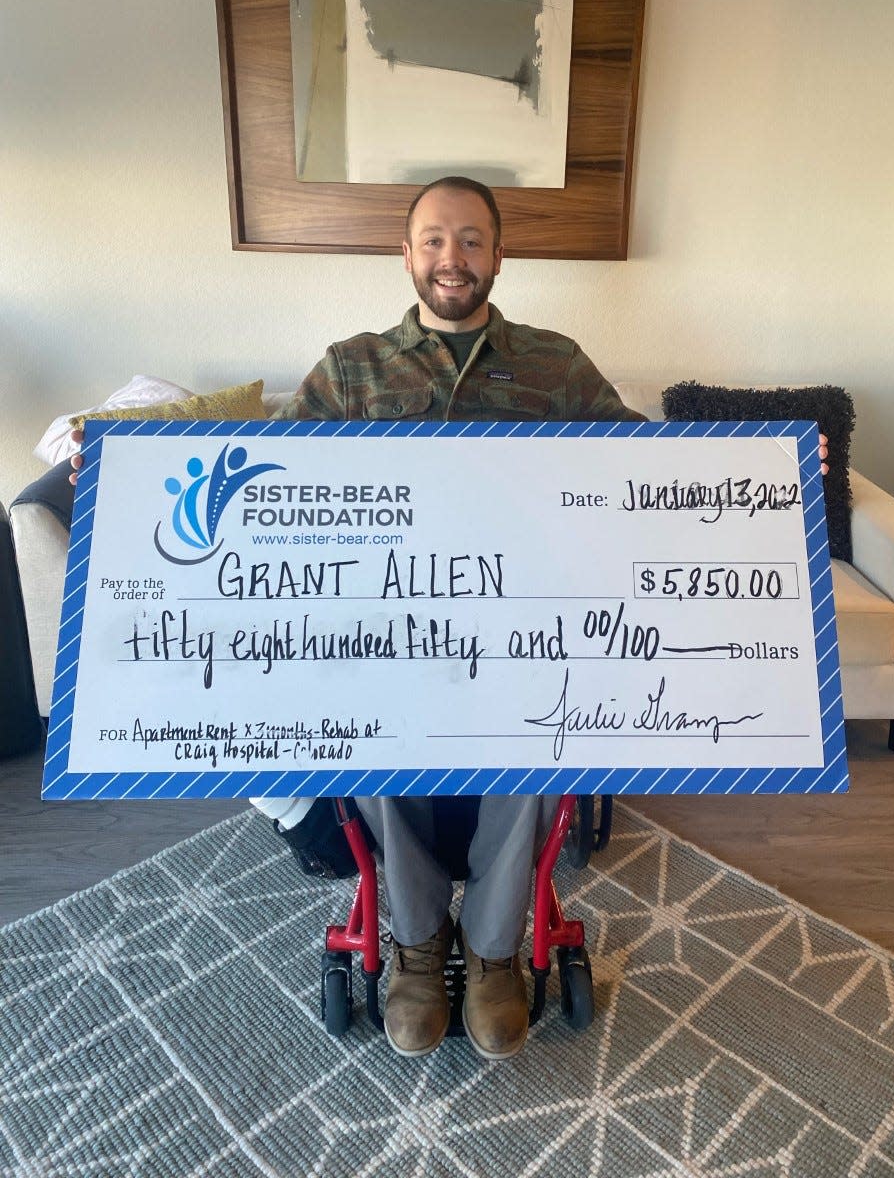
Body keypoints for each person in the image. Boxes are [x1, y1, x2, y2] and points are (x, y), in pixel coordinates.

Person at [70, 176, 828, 1061]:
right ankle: (420, 948)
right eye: (434, 240)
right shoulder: (352, 367)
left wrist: (769, 472)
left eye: (470, 240)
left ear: (499, 255)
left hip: (521, 645)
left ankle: (497, 952)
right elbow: (262, 478)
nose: (452, 258)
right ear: (407, 255)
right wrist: (121, 475)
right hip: (388, 645)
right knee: (359, 730)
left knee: (540, 736)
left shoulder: (557, 364)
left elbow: (646, 474)